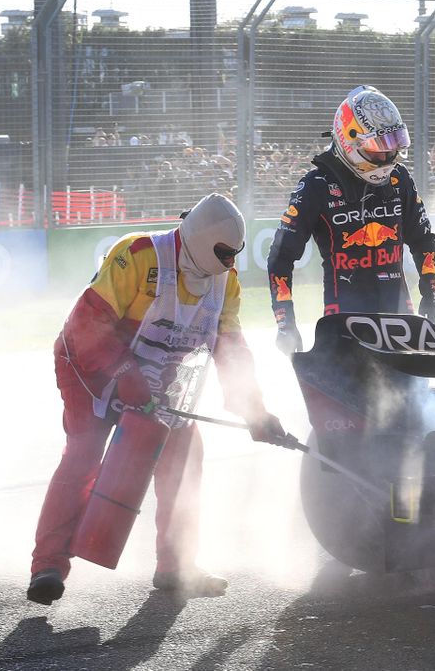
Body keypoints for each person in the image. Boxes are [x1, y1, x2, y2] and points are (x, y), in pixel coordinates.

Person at [27, 193, 285, 605]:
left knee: (184, 460)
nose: (231, 262)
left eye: (235, 254)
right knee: (85, 454)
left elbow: (232, 350)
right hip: (88, 369)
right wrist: (125, 376)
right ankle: (49, 566)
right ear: (201, 240)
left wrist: (255, 410)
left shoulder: (225, 282)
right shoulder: (139, 255)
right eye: (224, 253)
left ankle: (176, 566)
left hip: (159, 379)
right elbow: (84, 326)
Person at [267, 85, 435, 354]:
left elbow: (423, 240)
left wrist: (432, 295)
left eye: (391, 147)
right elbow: (281, 257)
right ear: (349, 141)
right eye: (377, 149)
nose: (386, 158)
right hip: (344, 324)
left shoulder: (400, 179)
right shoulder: (316, 186)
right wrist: (285, 322)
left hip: (400, 320)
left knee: (411, 394)